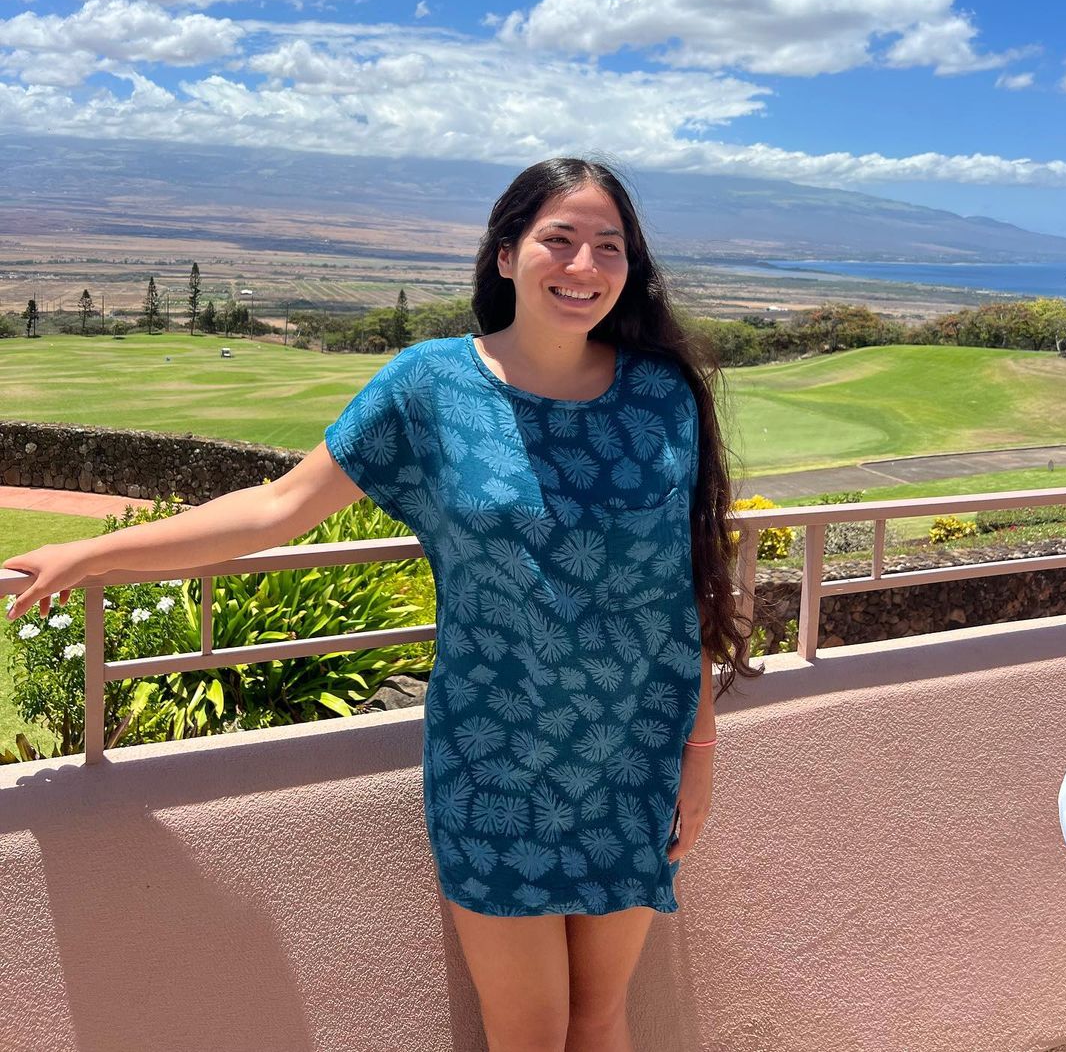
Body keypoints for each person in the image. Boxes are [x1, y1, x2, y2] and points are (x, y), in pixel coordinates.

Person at [4, 156, 760, 1052]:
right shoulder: (429, 387)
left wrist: (698, 752)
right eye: (559, 238)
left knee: (601, 1015)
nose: (584, 265)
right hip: (496, 763)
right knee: (530, 1031)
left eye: (610, 246)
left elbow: (681, 589)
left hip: (633, 753)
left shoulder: (661, 396)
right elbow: (278, 506)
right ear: (506, 253)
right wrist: (94, 554)